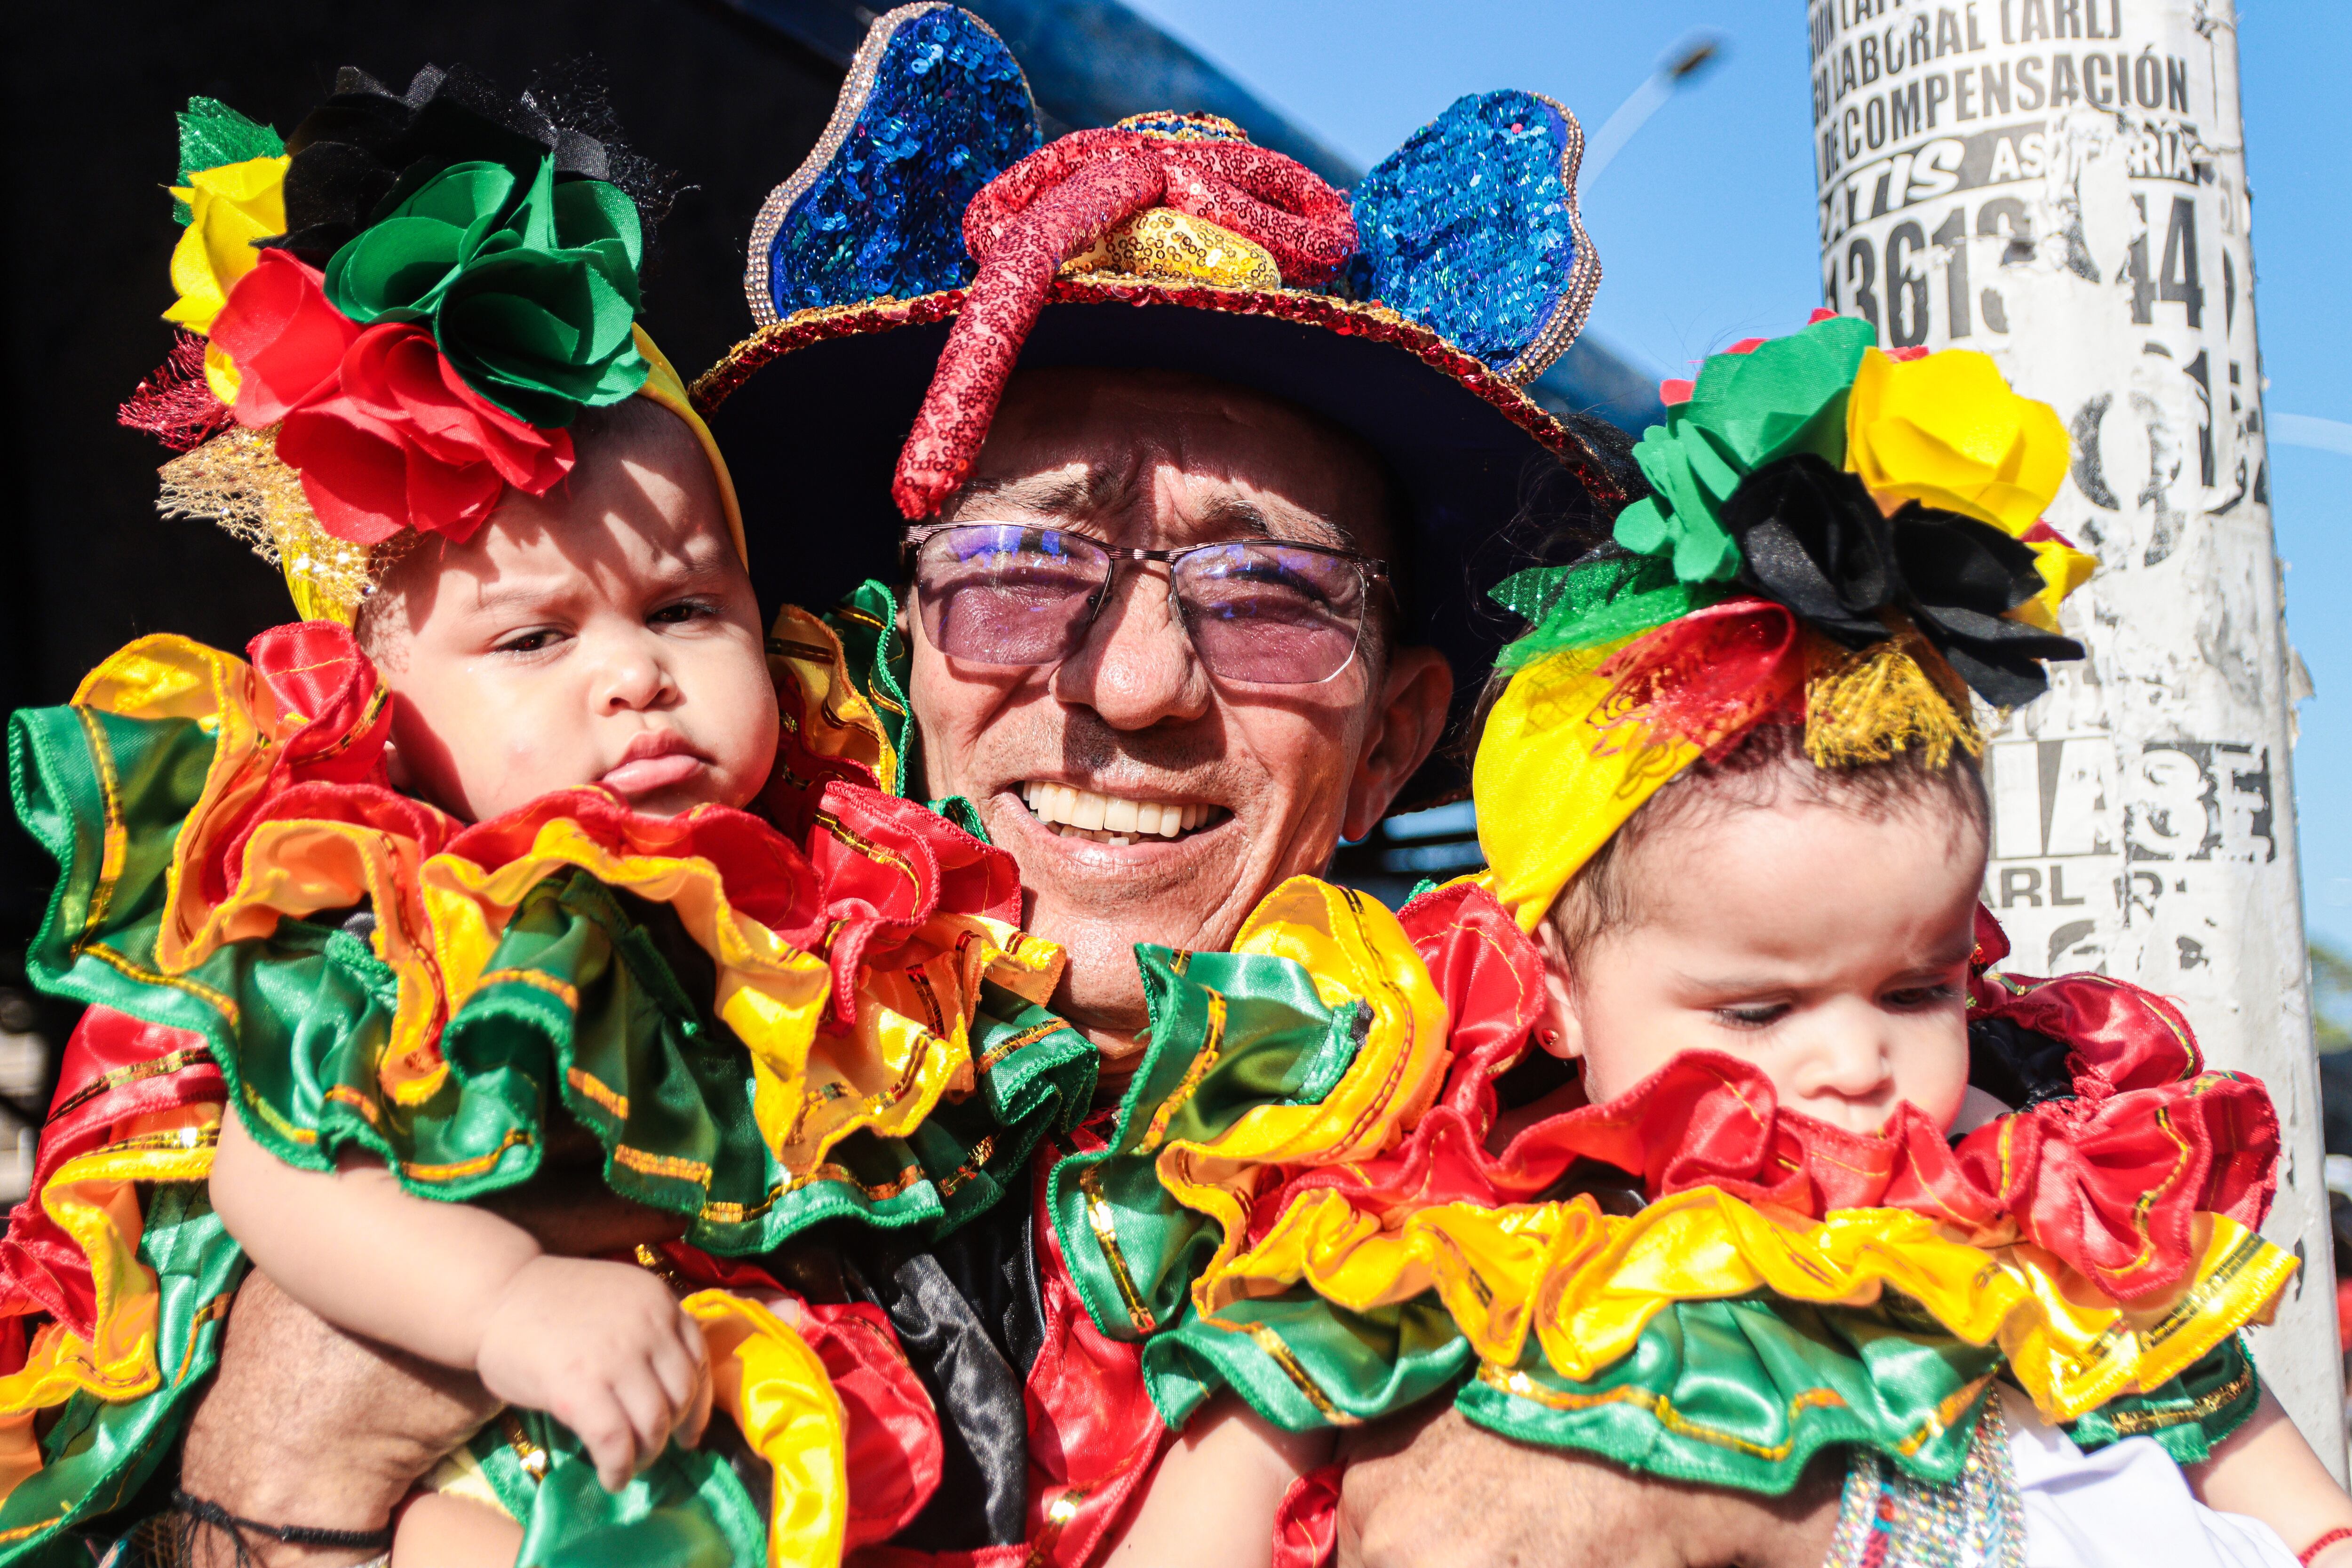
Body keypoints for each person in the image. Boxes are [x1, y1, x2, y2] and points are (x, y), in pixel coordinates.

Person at [2, 64, 1071, 1568]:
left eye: (687, 607)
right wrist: (497, 1302)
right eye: (532, 640)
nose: (635, 677)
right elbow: (274, 1165)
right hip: (484, 1382)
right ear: (380, 693)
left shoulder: (813, 894)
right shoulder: (380, 900)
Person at [1130, 318, 2352, 1566]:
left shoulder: (2039, 1220)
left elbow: (2312, 1530)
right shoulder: (1420, 1228)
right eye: (1757, 1013)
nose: (1856, 1064)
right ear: (1553, 991)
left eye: (1917, 990)